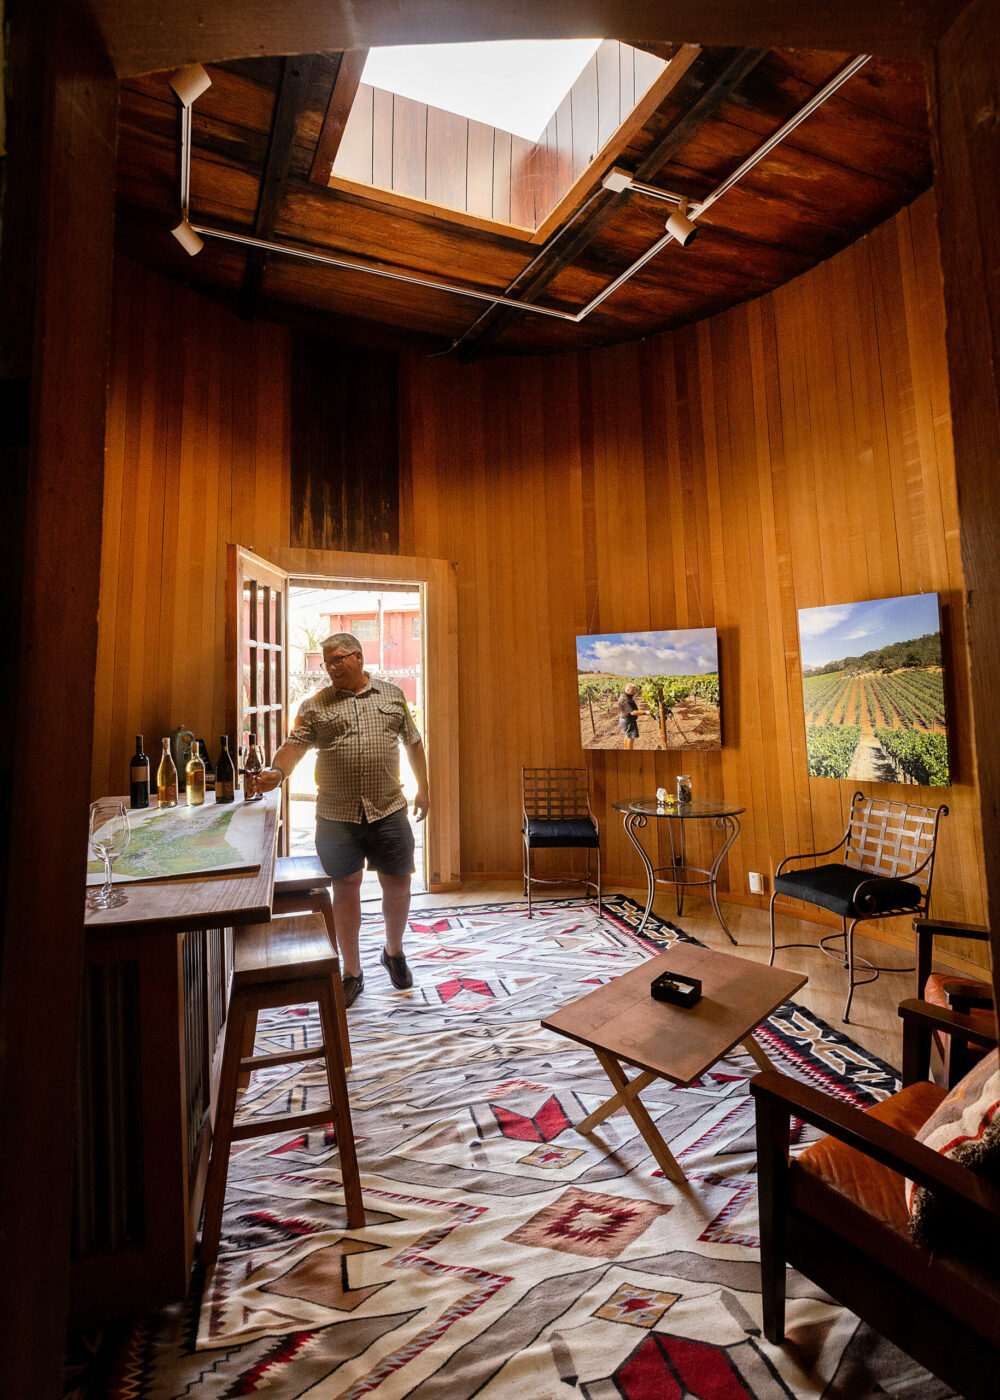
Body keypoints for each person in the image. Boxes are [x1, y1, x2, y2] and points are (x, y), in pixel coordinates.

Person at [254, 632, 429, 1007]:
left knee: (397, 882)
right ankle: (353, 971)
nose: (331, 668)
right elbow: (292, 747)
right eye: (326, 662)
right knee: (345, 887)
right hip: (336, 814)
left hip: (389, 807)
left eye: (337, 660)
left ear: (358, 657)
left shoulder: (392, 695)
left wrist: (424, 788)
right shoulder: (315, 705)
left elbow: (413, 742)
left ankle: (393, 952)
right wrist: (277, 773)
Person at [617, 683, 640, 750]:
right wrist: (645, 712)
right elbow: (633, 712)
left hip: (624, 718)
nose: (634, 692)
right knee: (631, 738)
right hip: (628, 720)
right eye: (632, 690)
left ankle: (625, 749)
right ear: (628, 690)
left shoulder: (623, 695)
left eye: (634, 690)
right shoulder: (626, 700)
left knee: (627, 735)